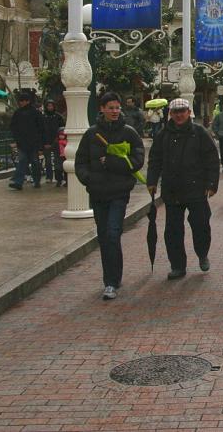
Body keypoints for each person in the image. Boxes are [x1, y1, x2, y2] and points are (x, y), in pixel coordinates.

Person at [74, 92, 145, 300]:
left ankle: (111, 282)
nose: (115, 111)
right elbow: (80, 161)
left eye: (117, 107)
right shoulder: (91, 134)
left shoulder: (129, 132)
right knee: (105, 237)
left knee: (113, 233)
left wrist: (112, 162)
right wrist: (89, 179)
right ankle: (113, 276)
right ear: (102, 109)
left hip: (119, 193)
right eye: (111, 108)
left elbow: (138, 160)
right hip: (98, 192)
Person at [147, 98, 219, 279]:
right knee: (173, 230)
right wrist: (151, 181)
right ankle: (177, 265)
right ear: (170, 114)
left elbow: (211, 159)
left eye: (182, 111)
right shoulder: (163, 134)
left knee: (201, 225)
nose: (179, 115)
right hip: (172, 189)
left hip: (196, 188)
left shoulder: (199, 132)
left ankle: (202, 253)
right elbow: (155, 159)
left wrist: (212, 184)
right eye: (176, 112)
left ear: (189, 112)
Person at [8, 92, 44, 190]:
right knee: (24, 162)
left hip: (31, 143)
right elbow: (13, 127)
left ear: (27, 101)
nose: (21, 103)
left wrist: (39, 144)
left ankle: (36, 181)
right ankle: (19, 182)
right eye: (21, 101)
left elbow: (40, 129)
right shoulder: (19, 113)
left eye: (23, 101)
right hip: (23, 142)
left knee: (33, 162)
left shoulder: (34, 113)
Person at [41, 100, 65, 183]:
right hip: (46, 142)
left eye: (51, 106)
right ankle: (49, 176)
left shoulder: (58, 117)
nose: (50, 107)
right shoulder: (43, 117)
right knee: (48, 161)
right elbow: (41, 131)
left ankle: (59, 177)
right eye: (48, 106)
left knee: (58, 161)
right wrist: (44, 143)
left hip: (57, 142)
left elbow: (62, 130)